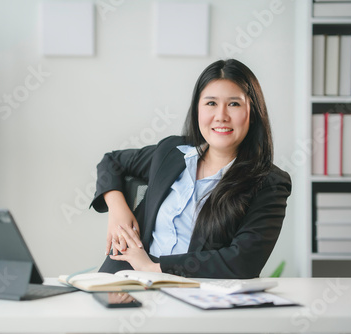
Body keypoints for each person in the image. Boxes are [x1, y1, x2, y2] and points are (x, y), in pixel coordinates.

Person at [90, 59, 291, 278]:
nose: (221, 115)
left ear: (252, 113)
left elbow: (242, 261)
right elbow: (111, 162)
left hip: (193, 291)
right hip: (123, 279)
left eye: (234, 104)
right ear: (197, 110)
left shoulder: (269, 182)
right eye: (211, 103)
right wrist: (118, 211)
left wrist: (152, 268)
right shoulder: (171, 152)